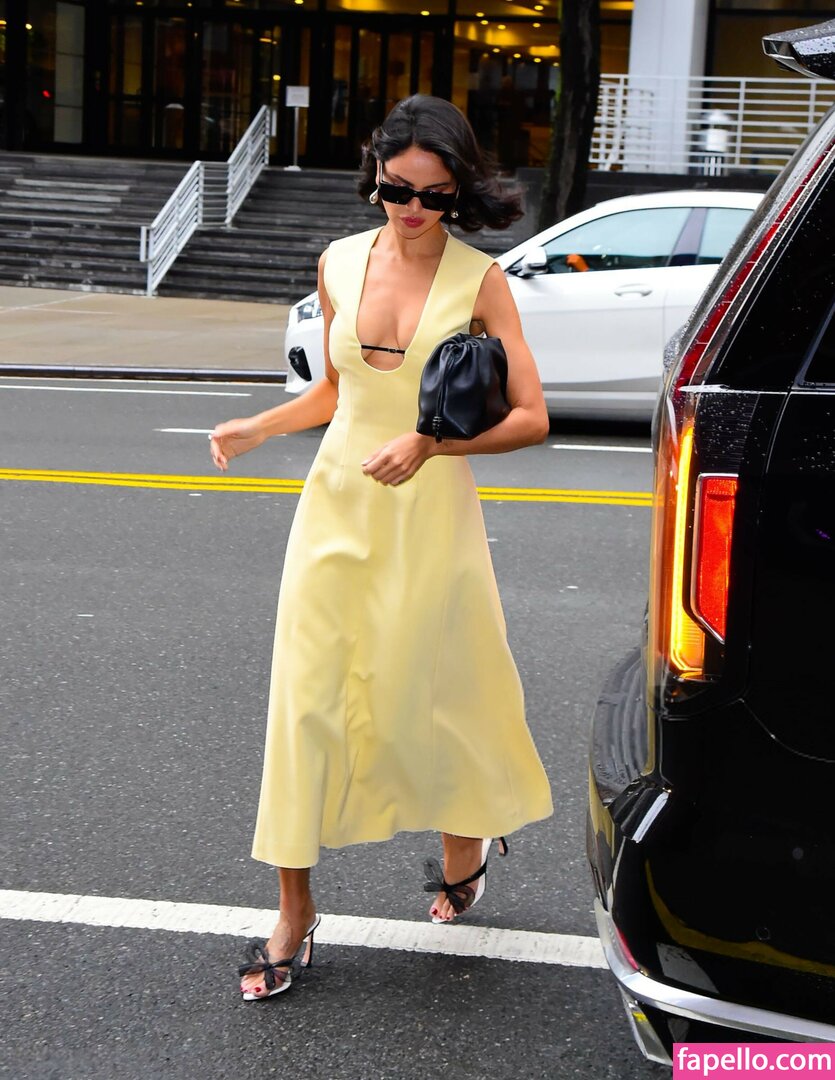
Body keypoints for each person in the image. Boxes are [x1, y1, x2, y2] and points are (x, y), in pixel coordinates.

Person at [209, 94, 554, 1002]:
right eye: (398, 189)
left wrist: (430, 443)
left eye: (435, 196)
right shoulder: (337, 261)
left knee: (439, 688)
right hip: (336, 507)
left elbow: (531, 417)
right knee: (306, 701)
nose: (413, 210)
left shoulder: (480, 280)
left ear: (458, 192)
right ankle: (293, 911)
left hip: (431, 511)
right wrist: (258, 425)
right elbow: (335, 392)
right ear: (375, 177)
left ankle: (466, 844)